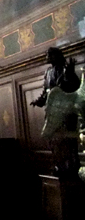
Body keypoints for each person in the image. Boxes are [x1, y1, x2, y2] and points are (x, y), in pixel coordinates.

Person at [31, 47, 83, 178]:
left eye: (50, 55)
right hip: (52, 109)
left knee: (68, 140)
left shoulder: (65, 69)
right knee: (55, 140)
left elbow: (74, 88)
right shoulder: (48, 72)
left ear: (57, 56)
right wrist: (39, 101)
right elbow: (46, 91)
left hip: (66, 111)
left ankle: (71, 166)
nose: (47, 57)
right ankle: (59, 165)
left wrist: (69, 75)